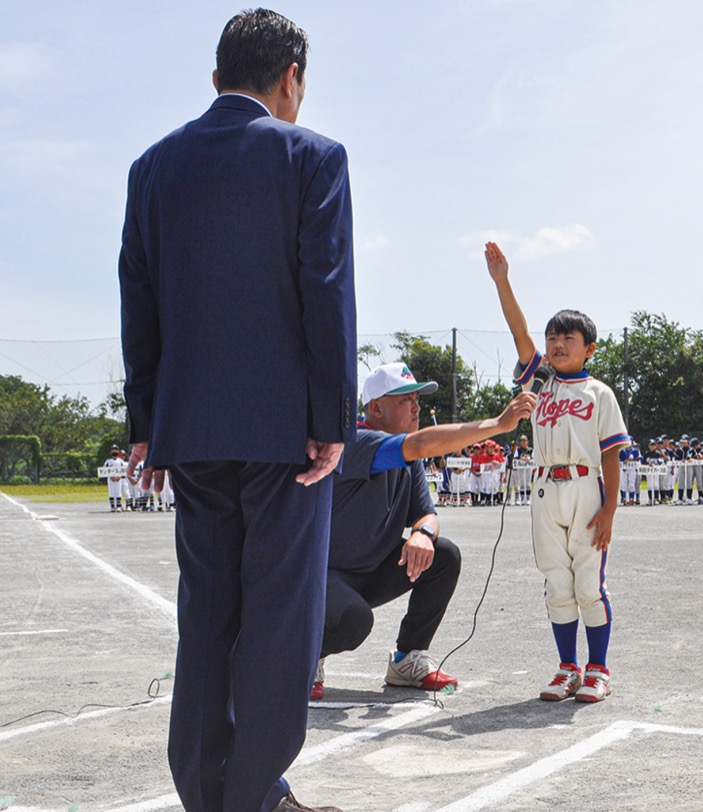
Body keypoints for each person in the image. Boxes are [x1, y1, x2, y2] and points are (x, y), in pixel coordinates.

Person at [118, 10, 356, 812]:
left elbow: (138, 298)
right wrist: (332, 417)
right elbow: (324, 287)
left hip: (192, 427)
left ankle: (204, 788)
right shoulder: (313, 157)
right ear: (290, 76)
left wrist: (148, 422)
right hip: (287, 431)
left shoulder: (152, 167)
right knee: (279, 621)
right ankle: (256, 793)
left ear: (216, 77)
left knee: (208, 612)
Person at [313, 363, 536, 699]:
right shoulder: (353, 441)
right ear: (376, 408)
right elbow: (419, 446)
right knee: (354, 621)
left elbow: (427, 514)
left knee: (444, 555)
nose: (416, 406)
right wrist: (497, 425)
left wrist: (423, 534)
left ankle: (407, 659)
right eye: (405, 399)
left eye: (417, 398)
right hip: (323, 577)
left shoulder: (408, 458)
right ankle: (301, 657)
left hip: (369, 572)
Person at [486, 241, 631, 704]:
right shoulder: (540, 381)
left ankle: (598, 669)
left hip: (587, 487)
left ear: (589, 348)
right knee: (557, 581)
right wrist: (502, 281)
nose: (557, 344)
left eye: (568, 339)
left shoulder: (598, 392)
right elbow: (518, 332)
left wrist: (610, 509)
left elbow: (611, 454)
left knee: (590, 583)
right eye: (553, 338)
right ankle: (567, 667)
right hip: (546, 486)